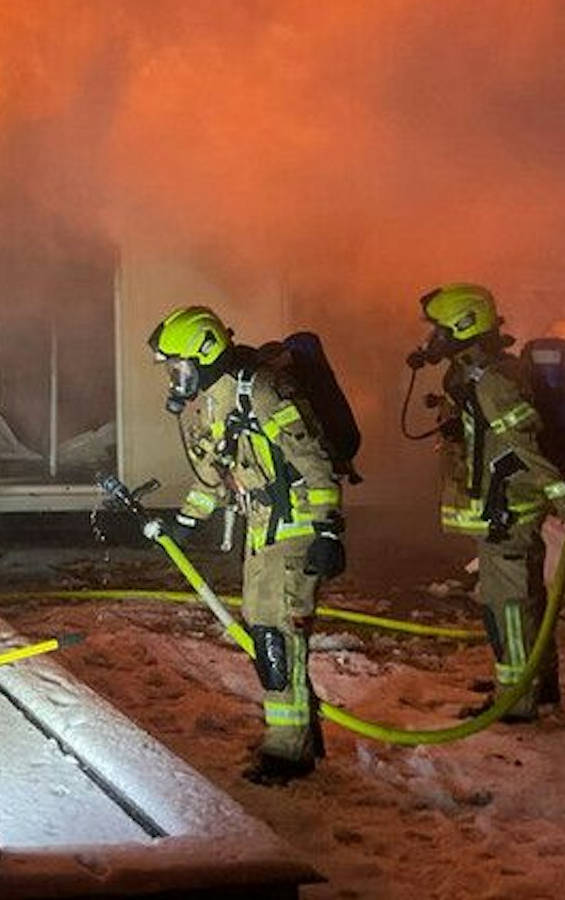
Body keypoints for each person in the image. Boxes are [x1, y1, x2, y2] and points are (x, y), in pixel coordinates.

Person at [148, 305, 346, 786]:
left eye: (179, 367)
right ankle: (303, 734)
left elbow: (314, 461)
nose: (176, 378)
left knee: (275, 635)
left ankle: (288, 751)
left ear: (205, 354)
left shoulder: (261, 390)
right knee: (268, 629)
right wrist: (186, 522)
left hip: (294, 527)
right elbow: (216, 472)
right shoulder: (217, 399)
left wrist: (327, 529)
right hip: (263, 529)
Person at [410, 283, 565, 721]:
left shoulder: (491, 381)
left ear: (463, 325)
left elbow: (528, 449)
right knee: (527, 599)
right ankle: (538, 683)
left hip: (508, 511)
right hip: (503, 507)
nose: (431, 339)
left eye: (437, 330)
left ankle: (518, 697)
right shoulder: (476, 373)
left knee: (508, 608)